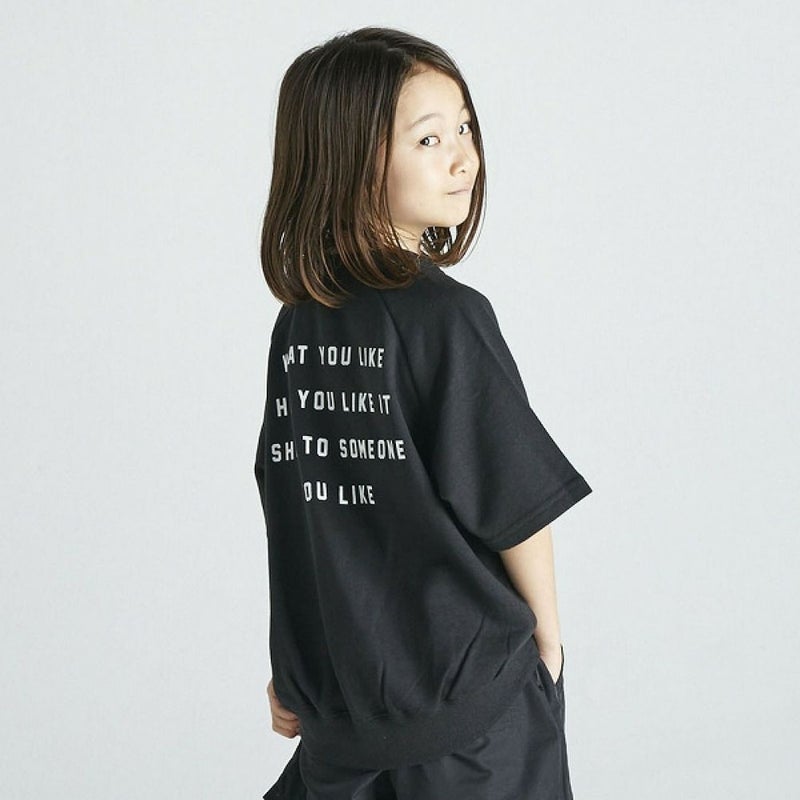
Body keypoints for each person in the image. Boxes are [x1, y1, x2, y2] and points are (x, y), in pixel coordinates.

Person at [254, 26, 592, 799]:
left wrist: (299, 666)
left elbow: (300, 507)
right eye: (429, 138)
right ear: (350, 159)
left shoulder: (300, 325)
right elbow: (515, 506)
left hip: (349, 717)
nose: (463, 158)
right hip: (471, 722)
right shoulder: (447, 318)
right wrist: (548, 652)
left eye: (465, 127)